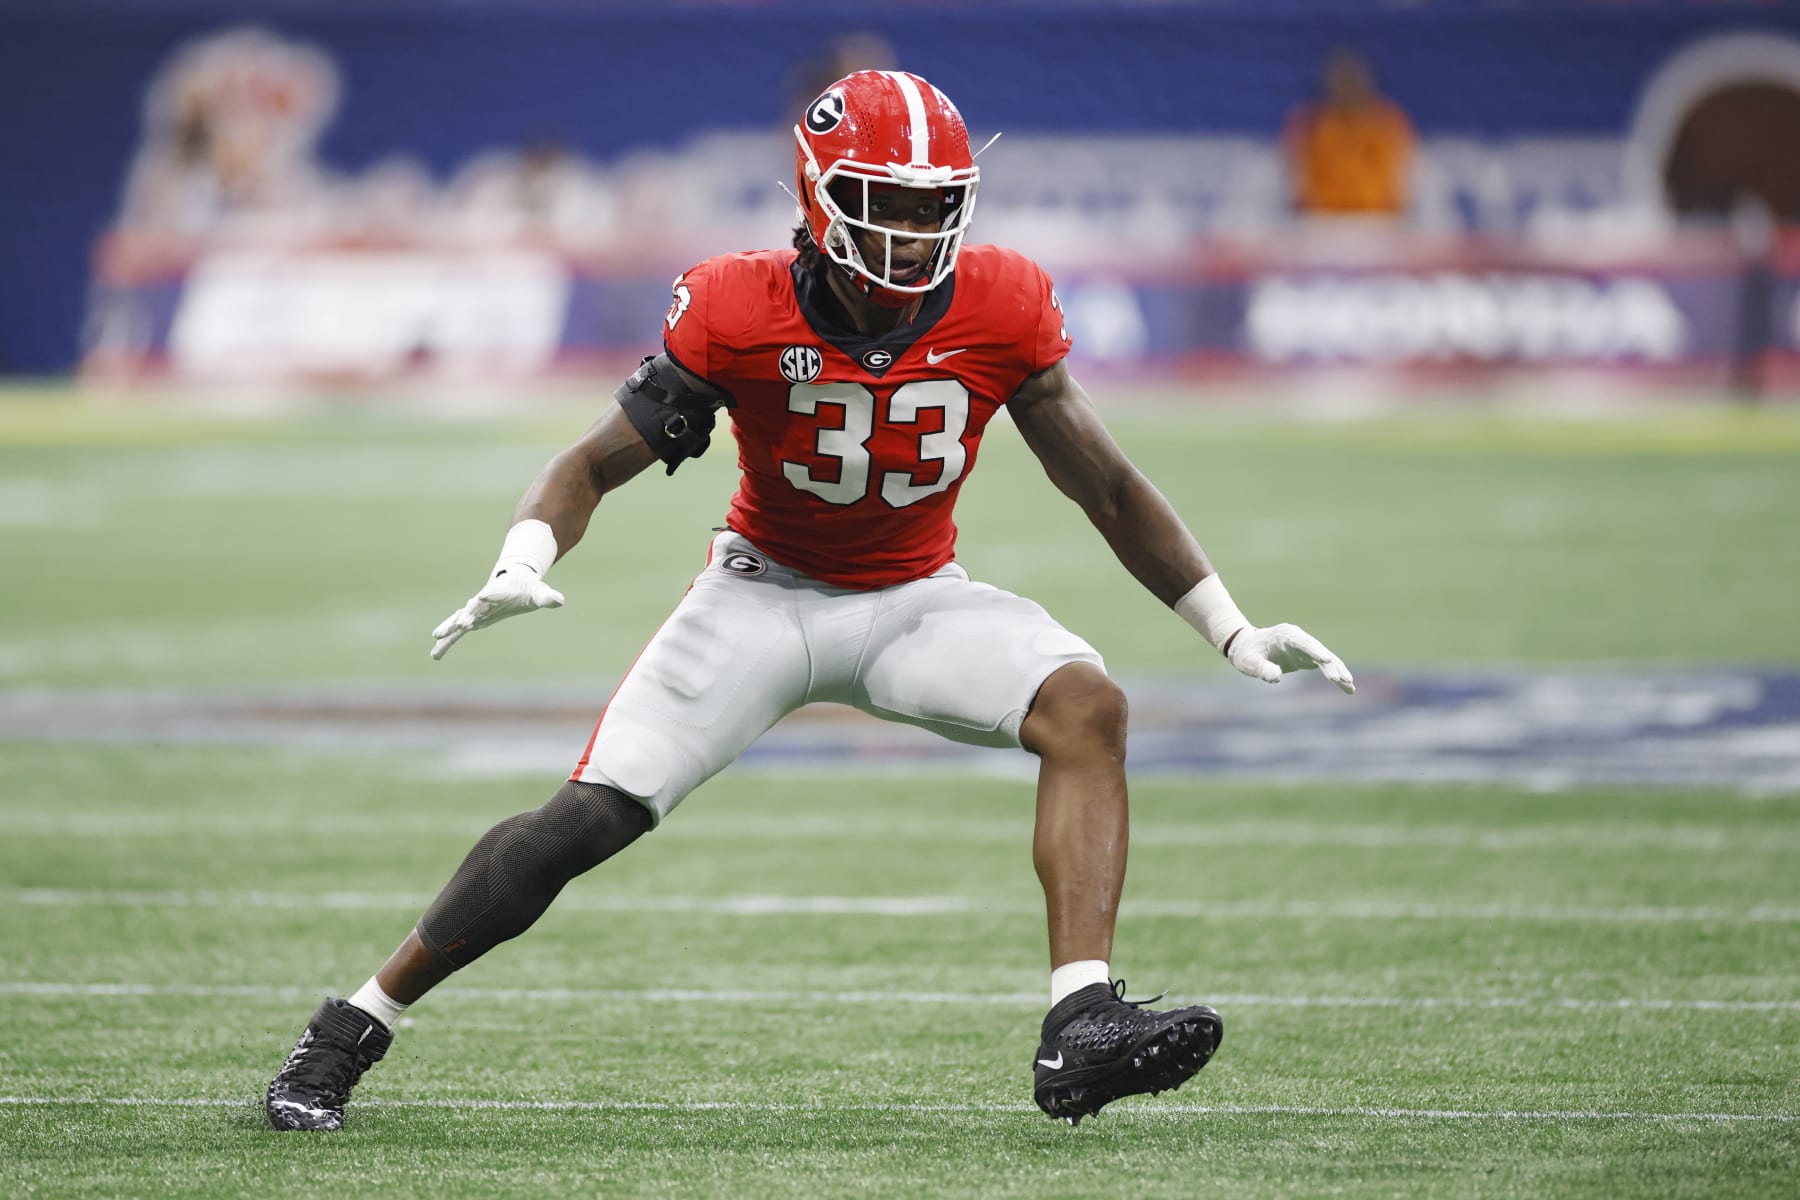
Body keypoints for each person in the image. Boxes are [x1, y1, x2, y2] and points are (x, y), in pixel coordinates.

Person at [265, 69, 1355, 1133]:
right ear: (819, 198)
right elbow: (592, 463)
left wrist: (1227, 622)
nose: (913, 235)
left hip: (913, 600)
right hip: (761, 597)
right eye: (884, 205)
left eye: (935, 208)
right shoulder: (737, 304)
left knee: (1088, 707)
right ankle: (349, 1026)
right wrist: (524, 554)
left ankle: (1081, 1019)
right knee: (582, 821)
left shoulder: (1002, 301)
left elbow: (1107, 486)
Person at [1282, 47, 1416, 218]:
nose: (1347, 88)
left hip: (1377, 219)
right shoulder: (1310, 122)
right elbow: (1298, 177)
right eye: (1341, 82)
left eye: (1352, 81)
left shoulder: (1387, 121)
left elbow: (1400, 175)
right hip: (1323, 219)